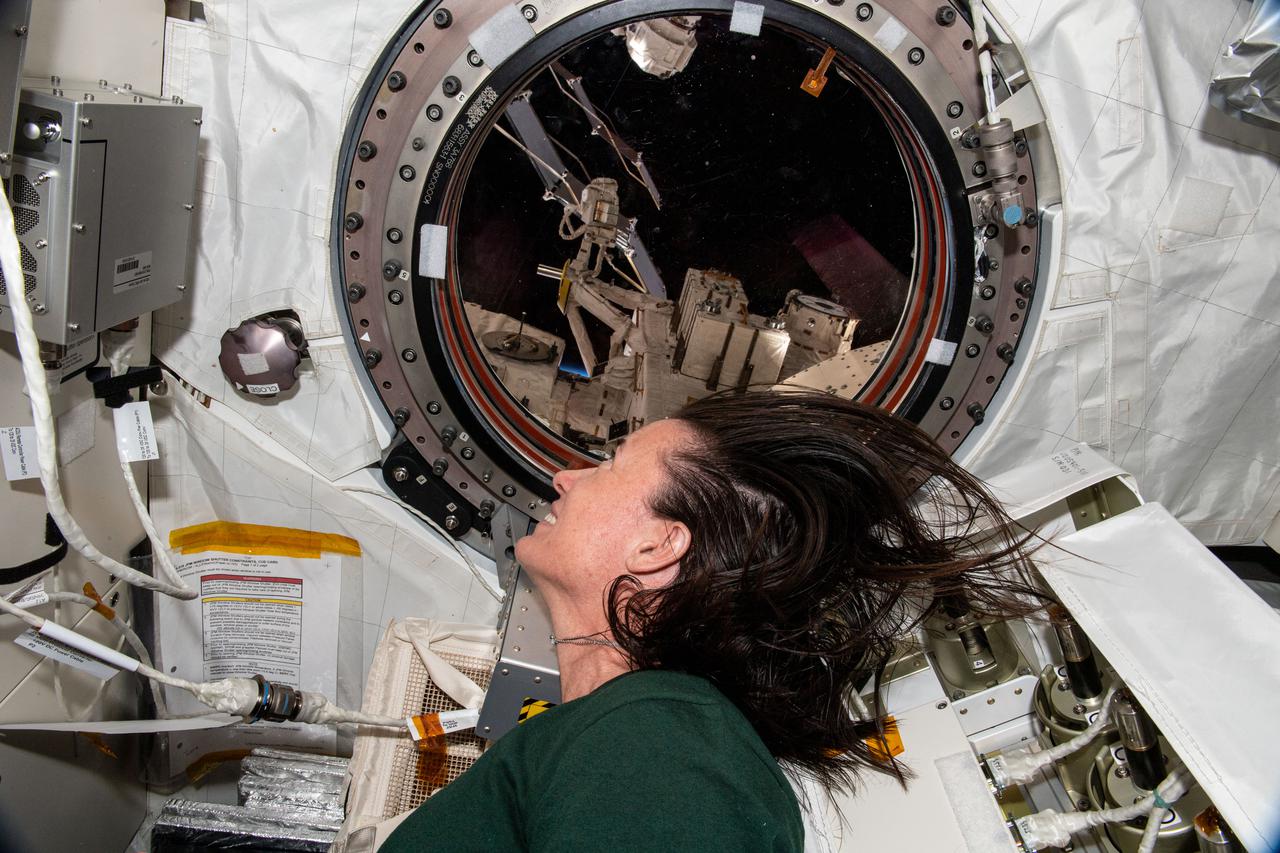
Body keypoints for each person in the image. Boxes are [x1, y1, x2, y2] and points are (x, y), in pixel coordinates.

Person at [382, 389, 1042, 852]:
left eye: (610, 463)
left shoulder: (659, 739)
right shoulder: (636, 733)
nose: (565, 477)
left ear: (657, 546)